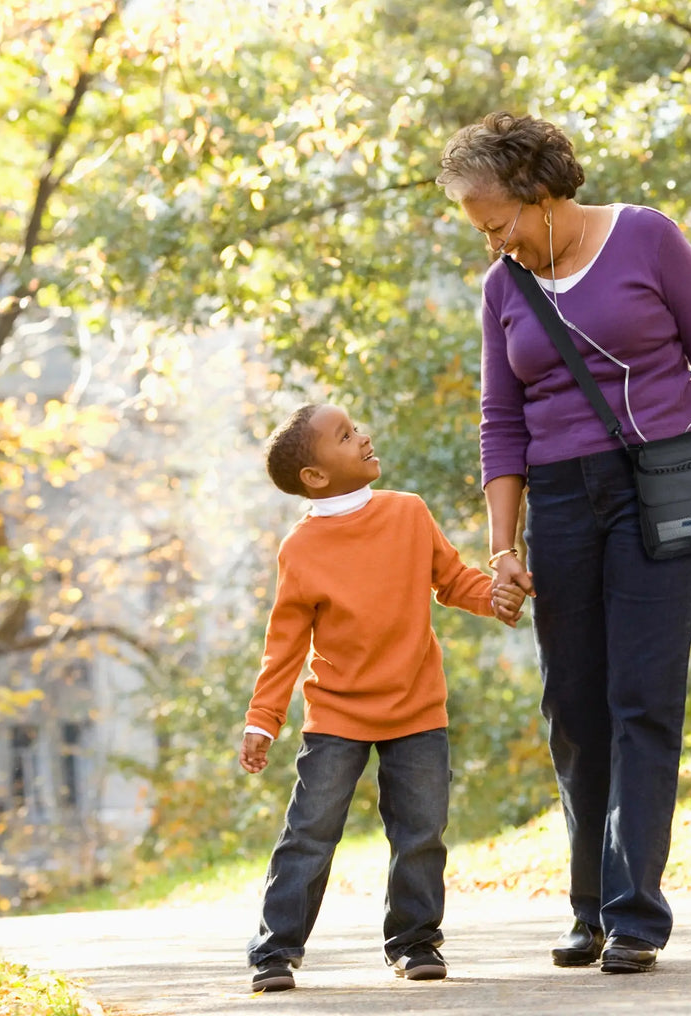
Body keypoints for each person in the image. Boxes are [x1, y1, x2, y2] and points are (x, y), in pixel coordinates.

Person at [436, 112, 691, 974]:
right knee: (574, 706)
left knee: (643, 698)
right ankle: (587, 907)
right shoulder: (503, 287)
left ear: (541, 190)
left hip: (658, 485)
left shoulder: (646, 239)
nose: (495, 242)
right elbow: (500, 423)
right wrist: (503, 546)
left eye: (500, 222)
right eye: (480, 230)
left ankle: (636, 913)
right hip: (561, 502)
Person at [241, 402, 525, 992]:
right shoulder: (302, 549)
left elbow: (452, 580)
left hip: (417, 707)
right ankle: (275, 949)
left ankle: (415, 942)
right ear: (315, 477)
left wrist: (493, 596)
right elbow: (285, 645)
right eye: (346, 436)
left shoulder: (408, 514)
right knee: (310, 833)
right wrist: (263, 721)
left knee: (421, 831)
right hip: (337, 716)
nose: (363, 436)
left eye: (356, 428)